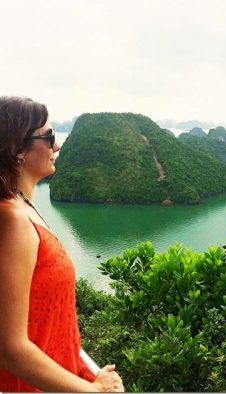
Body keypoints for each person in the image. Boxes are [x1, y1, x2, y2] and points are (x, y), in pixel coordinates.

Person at [0, 96, 124, 392]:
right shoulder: (13, 221)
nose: (57, 147)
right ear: (17, 149)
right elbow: (11, 348)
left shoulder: (22, 208)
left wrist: (82, 370)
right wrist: (93, 391)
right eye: (49, 137)